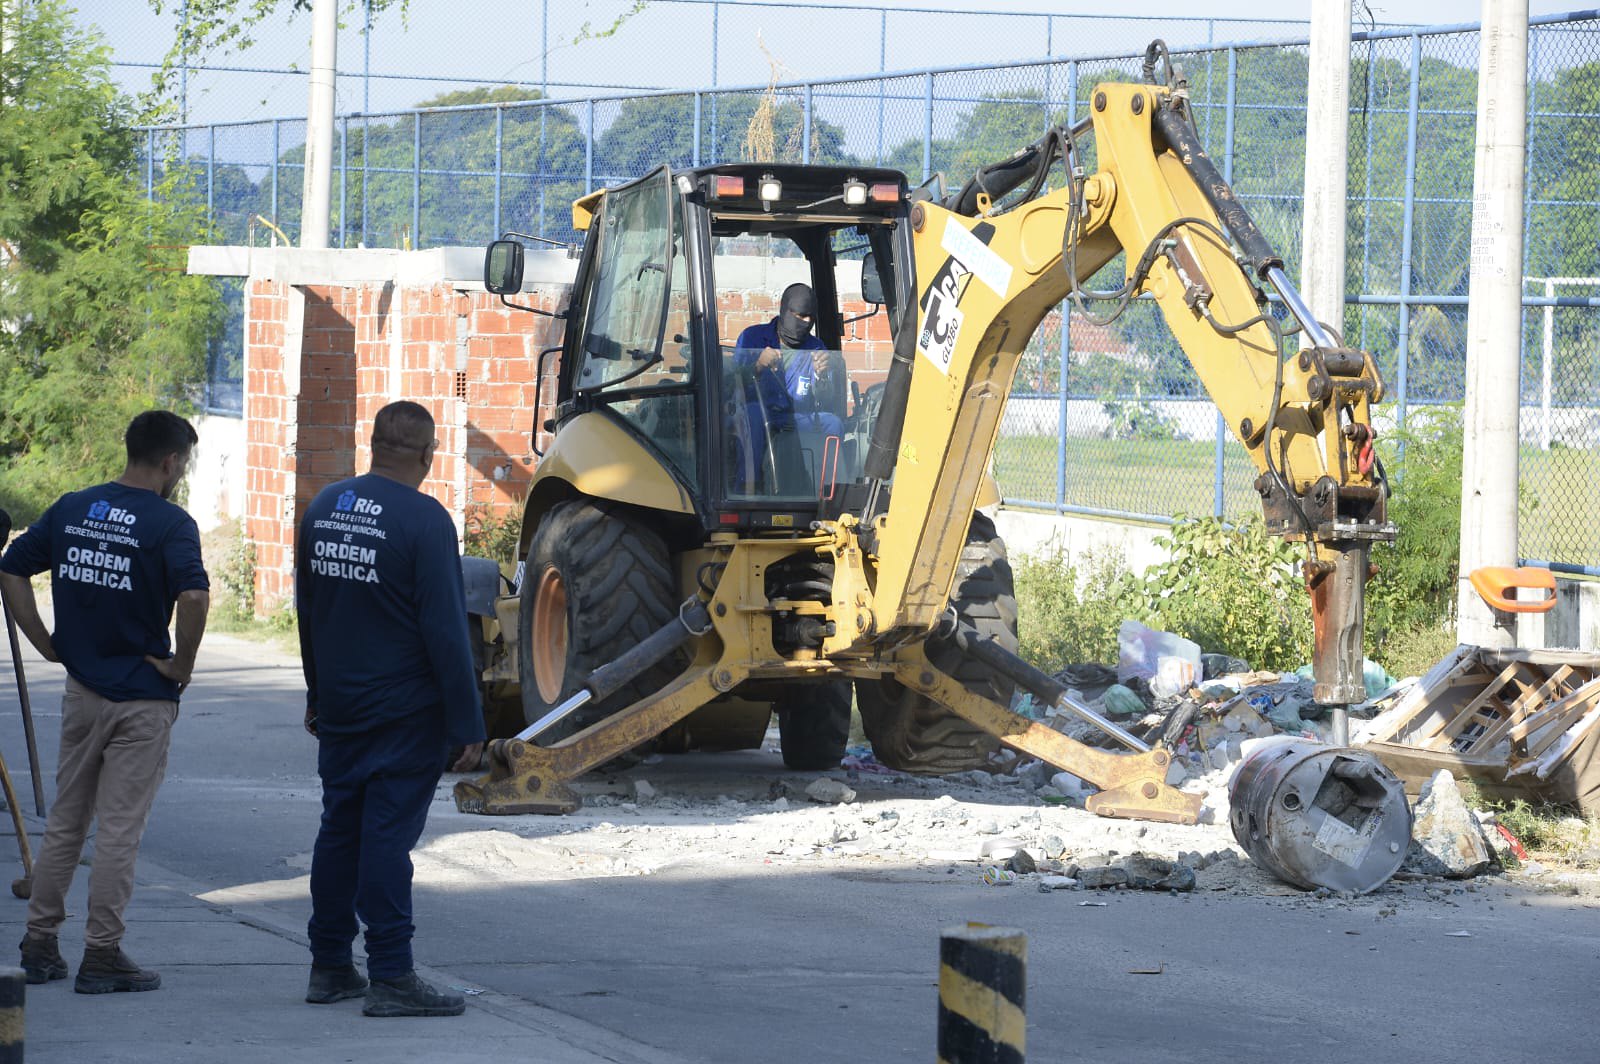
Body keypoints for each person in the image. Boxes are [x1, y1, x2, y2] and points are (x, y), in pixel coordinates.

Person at [0, 410, 210, 994]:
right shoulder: (171, 524)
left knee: (66, 820)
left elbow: (12, 569)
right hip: (142, 699)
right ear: (170, 462)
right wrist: (183, 666)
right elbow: (193, 595)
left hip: (83, 692)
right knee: (119, 830)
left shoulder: (73, 507)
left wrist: (47, 644)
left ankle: (39, 944)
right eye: (184, 463)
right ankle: (102, 953)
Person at [296, 400, 485, 1018]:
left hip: (343, 709)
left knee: (339, 833)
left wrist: (317, 693)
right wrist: (468, 724)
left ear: (372, 443)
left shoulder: (324, 508)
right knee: (384, 843)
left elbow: (310, 610)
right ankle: (393, 976)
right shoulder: (425, 520)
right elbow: (446, 633)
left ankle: (329, 967)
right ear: (429, 455)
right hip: (404, 715)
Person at [730, 283, 848, 493]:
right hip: (758, 412)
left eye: (810, 318)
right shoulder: (752, 337)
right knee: (753, 414)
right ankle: (749, 490)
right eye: (799, 316)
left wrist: (821, 377)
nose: (806, 322)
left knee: (833, 423)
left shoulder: (816, 347)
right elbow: (733, 382)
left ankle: (830, 494)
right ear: (785, 310)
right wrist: (757, 365)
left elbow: (825, 400)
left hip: (795, 417)